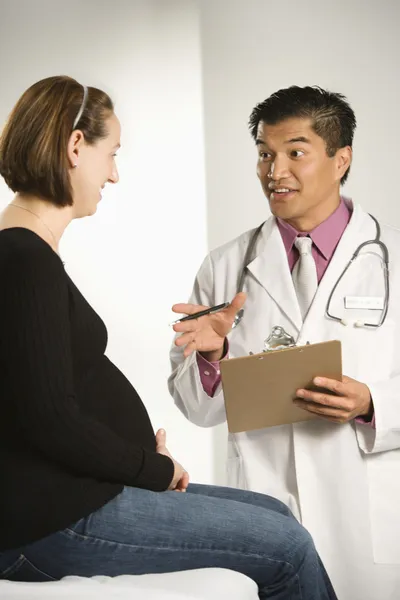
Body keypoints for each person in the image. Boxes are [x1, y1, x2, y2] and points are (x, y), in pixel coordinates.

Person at [0, 76, 337, 600]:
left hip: (74, 491)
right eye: (110, 153)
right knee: (286, 544)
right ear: (74, 147)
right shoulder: (23, 261)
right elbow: (48, 418)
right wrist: (148, 467)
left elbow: (38, 395)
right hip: (49, 520)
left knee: (275, 514)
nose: (112, 174)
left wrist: (128, 453)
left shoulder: (27, 257)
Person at [169, 86, 400, 600]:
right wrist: (213, 359)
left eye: (295, 152)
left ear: (342, 159)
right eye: (265, 154)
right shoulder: (225, 266)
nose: (275, 172)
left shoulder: (393, 260)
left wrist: (372, 404)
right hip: (265, 508)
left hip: (365, 509)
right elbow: (197, 410)